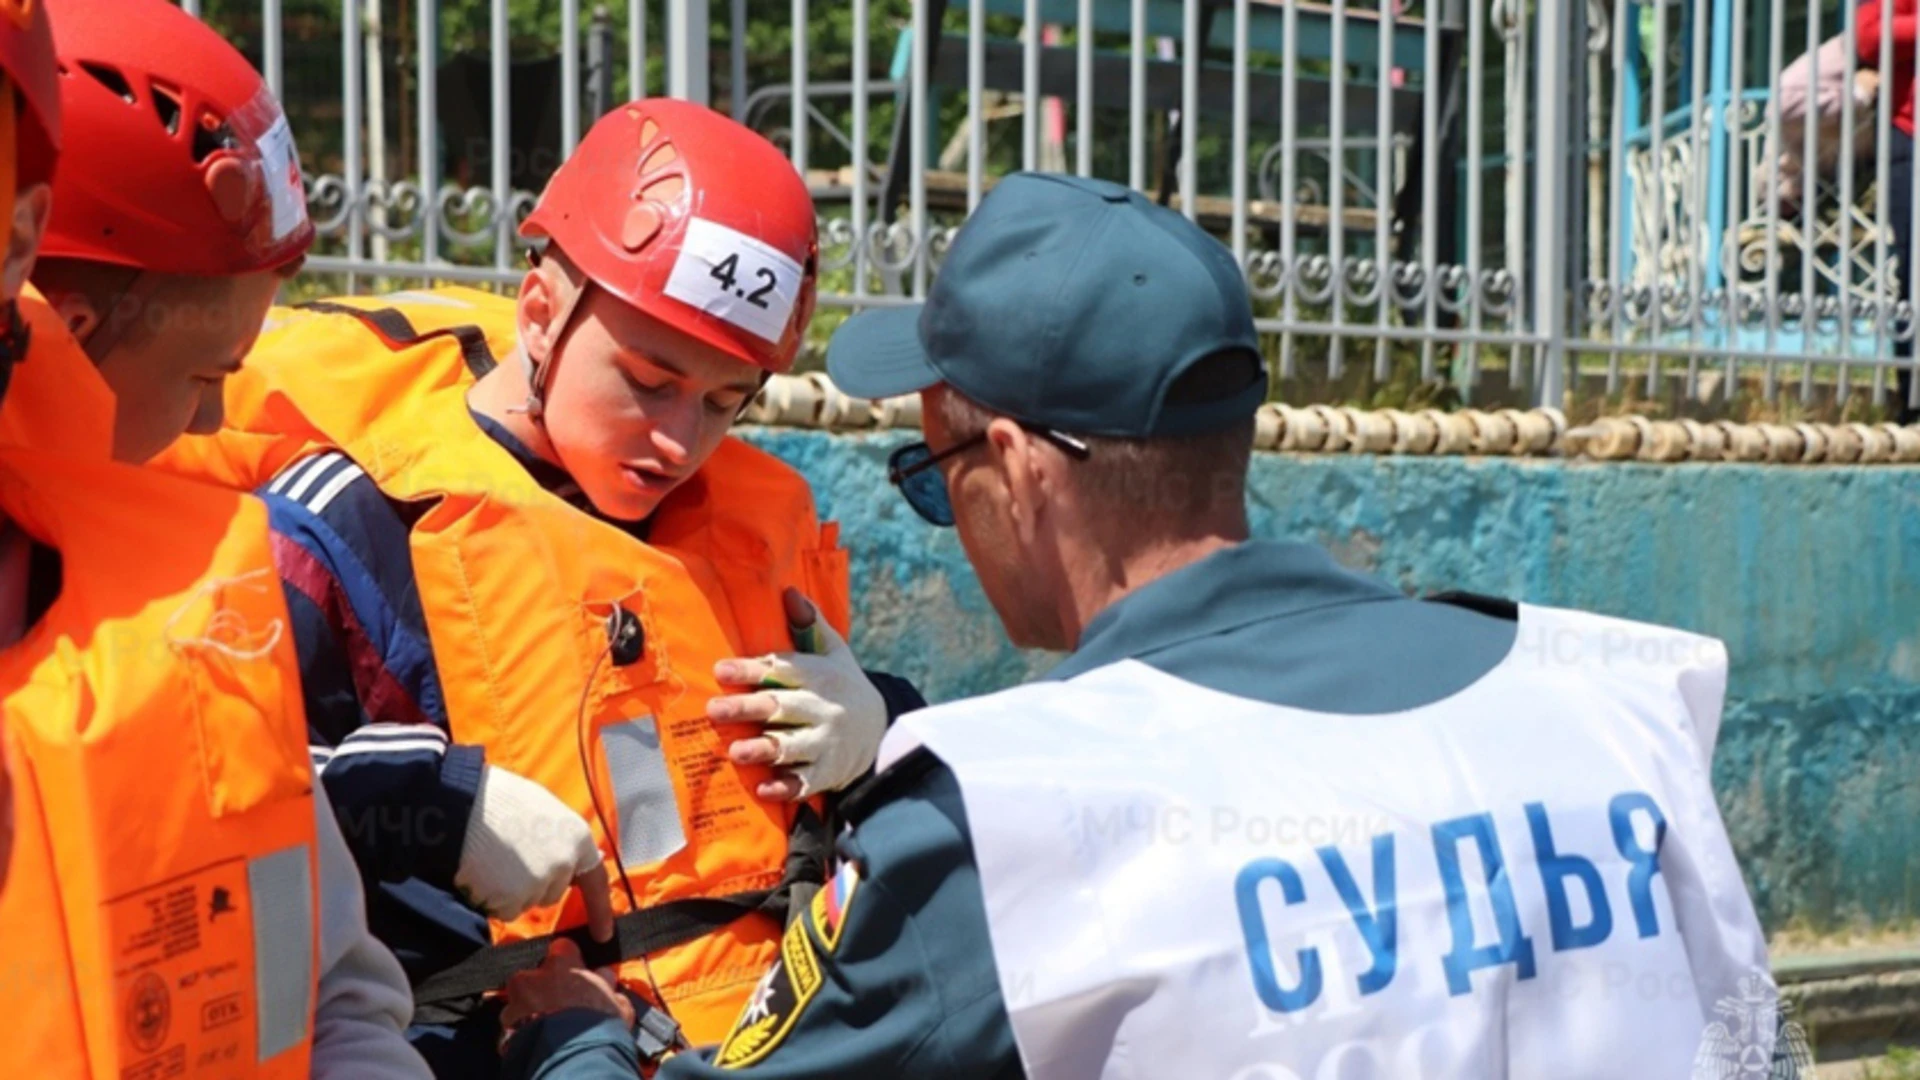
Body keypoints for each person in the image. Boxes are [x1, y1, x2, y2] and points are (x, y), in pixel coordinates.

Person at [502, 173, 1788, 1079]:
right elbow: (1755, 1050)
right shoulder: (1617, 699)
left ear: (1019, 469)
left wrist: (570, 1035)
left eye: (932, 468)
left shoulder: (1005, 825)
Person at [155, 98, 918, 1075]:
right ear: (542, 316)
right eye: (647, 380)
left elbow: (873, 800)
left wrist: (881, 728)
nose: (679, 441)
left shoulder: (750, 520)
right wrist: (434, 800)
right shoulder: (349, 526)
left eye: (727, 403)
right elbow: (203, 787)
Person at [0, 0, 429, 1075]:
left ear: (18, 240)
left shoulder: (205, 599)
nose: (209, 424)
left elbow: (334, 997)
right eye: (204, 378)